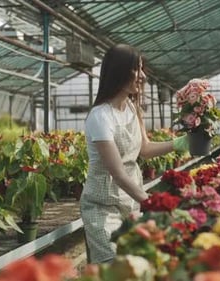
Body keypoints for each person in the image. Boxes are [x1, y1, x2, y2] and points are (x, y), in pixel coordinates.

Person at [80, 44, 188, 264]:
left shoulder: (132, 108)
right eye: (137, 69)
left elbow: (145, 150)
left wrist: (180, 143)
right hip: (103, 208)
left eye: (142, 69)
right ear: (120, 71)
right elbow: (118, 173)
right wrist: (153, 203)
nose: (143, 76)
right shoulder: (101, 117)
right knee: (112, 265)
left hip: (130, 204)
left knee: (135, 264)